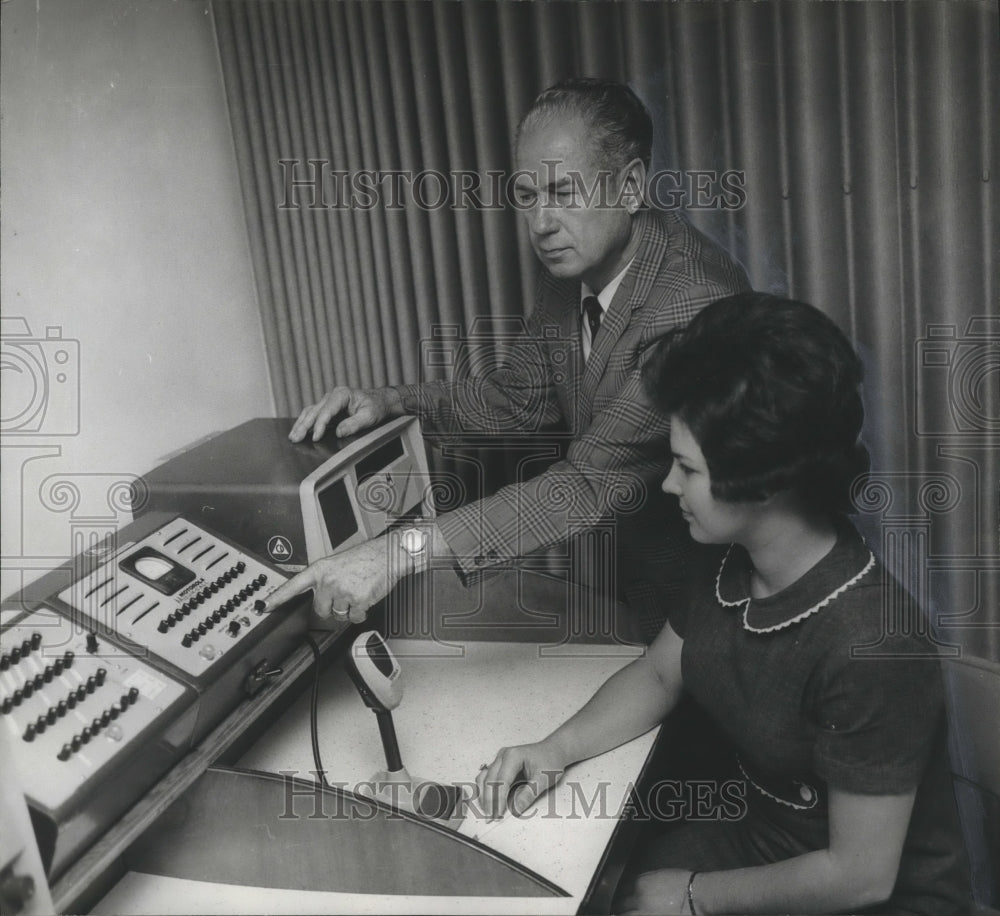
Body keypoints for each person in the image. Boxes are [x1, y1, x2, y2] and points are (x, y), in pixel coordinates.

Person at [475, 293, 970, 915]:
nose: (668, 484)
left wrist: (692, 896)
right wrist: (555, 748)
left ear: (761, 480)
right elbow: (660, 672)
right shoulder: (728, 556)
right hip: (764, 840)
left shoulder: (872, 644)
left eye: (687, 467)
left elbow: (861, 876)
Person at [267, 78, 749, 641]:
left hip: (728, 592)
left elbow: (585, 486)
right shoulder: (571, 274)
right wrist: (392, 401)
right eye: (527, 196)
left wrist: (396, 553)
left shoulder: (692, 303)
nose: (541, 225)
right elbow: (517, 400)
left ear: (632, 186)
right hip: (644, 590)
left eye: (564, 192)